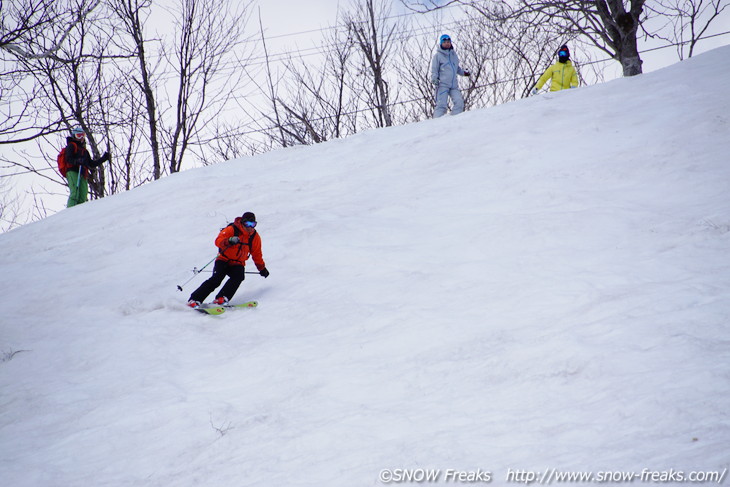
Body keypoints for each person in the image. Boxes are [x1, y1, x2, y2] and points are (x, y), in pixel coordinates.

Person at [187, 212, 269, 308]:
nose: (250, 227)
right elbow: (218, 241)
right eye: (247, 224)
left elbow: (257, 254)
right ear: (243, 222)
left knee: (239, 277)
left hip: (238, 263)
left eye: (253, 224)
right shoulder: (232, 229)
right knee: (216, 279)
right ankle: (195, 299)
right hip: (223, 259)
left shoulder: (254, 237)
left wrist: (262, 268)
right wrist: (229, 240)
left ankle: (222, 298)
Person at [63, 126, 110, 207]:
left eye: (82, 135)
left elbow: (91, 164)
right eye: (78, 135)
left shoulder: (84, 151)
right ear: (74, 136)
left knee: (83, 195)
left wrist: (103, 158)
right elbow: (68, 159)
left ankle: (79, 212)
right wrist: (78, 161)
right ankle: (70, 211)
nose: (81, 138)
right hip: (73, 171)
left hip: (82, 173)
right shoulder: (71, 146)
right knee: (75, 193)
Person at [430, 34, 470, 118]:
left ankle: (453, 120)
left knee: (459, 103)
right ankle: (436, 123)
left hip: (453, 86)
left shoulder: (453, 55)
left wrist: (464, 73)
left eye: (448, 42)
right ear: (441, 43)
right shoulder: (438, 56)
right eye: (444, 42)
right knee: (441, 106)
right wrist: (434, 79)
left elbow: (456, 68)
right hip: (442, 85)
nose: (447, 43)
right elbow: (434, 69)